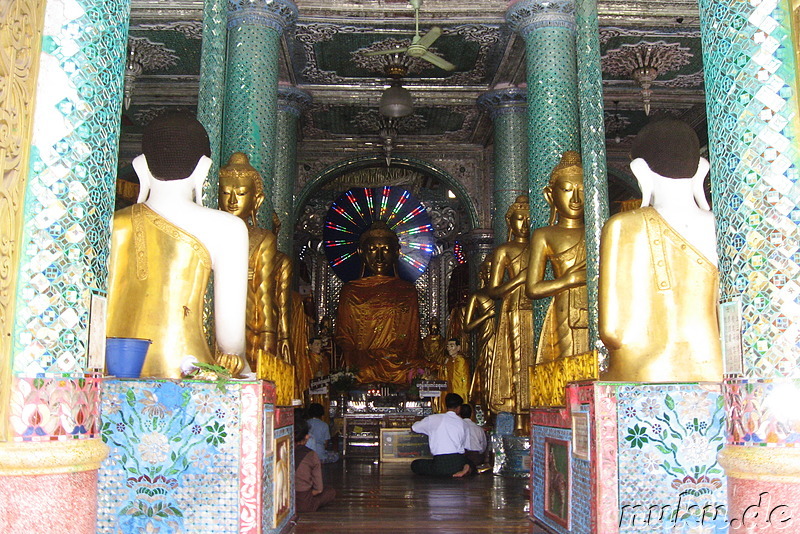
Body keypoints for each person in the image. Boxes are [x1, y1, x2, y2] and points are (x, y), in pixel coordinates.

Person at [107, 111, 248, 378]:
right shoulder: (227, 228)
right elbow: (231, 342)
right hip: (189, 377)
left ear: (141, 166)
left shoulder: (115, 224)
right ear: (204, 169)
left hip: (110, 379)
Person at [599, 118, 723, 381]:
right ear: (701, 170)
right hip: (715, 366)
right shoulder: (722, 227)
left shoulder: (624, 225)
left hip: (644, 371)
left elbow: (611, 329)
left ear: (639, 170)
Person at [335, 221, 429, 384]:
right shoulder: (350, 290)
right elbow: (344, 336)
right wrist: (356, 356)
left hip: (396, 360)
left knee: (409, 370)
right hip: (363, 361)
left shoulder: (407, 290)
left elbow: (411, 339)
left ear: (397, 252)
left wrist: (395, 355)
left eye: (385, 249)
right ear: (361, 252)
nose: (379, 257)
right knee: (362, 372)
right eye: (372, 250)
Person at [219, 153, 285, 376]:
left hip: (248, 328)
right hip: (205, 326)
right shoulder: (207, 231)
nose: (232, 201)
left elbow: (264, 295)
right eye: (226, 193)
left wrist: (269, 336)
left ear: (257, 200)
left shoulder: (263, 239)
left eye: (241, 194)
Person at [525, 151, 589, 363]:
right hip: (564, 313)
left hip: (595, 311)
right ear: (550, 195)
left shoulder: (598, 232)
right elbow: (533, 288)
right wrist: (568, 281)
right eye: (568, 190)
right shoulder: (544, 235)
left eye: (582, 190)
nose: (576, 199)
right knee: (567, 368)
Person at [485, 196, 534, 433]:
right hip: (515, 308)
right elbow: (494, 290)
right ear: (509, 222)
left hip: (537, 307)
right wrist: (519, 279)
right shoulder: (505, 250)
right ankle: (520, 418)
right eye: (519, 218)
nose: (524, 224)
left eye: (528, 219)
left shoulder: (540, 244)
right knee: (518, 363)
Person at [410, 393, 471, 478]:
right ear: (458, 408)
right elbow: (466, 447)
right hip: (458, 463)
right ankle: (465, 468)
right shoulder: (463, 423)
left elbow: (414, 427)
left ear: (445, 405)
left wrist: (430, 430)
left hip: (439, 464)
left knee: (415, 464)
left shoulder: (434, 418)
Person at [464, 256, 495, 408]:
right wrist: (486, 316)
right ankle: (487, 407)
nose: (491, 275)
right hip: (486, 339)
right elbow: (467, 326)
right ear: (482, 275)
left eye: (494, 271)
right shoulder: (477, 296)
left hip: (501, 337)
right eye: (488, 272)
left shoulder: (502, 293)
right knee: (487, 372)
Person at [295, 418, 337, 512]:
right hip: (304, 503)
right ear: (306, 436)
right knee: (330, 492)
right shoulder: (311, 455)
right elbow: (318, 490)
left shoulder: (284, 450)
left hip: (285, 502)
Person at [459, 404, 487, 468]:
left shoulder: (457, 427)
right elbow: (483, 446)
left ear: (459, 414)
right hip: (476, 458)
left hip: (461, 457)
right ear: (472, 414)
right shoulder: (478, 429)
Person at [442, 339, 469, 403]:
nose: (449, 348)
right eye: (448, 346)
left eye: (452, 346)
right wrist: (444, 366)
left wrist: (465, 391)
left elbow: (464, 377)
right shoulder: (448, 360)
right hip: (449, 389)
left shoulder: (461, 360)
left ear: (458, 347)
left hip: (460, 389)